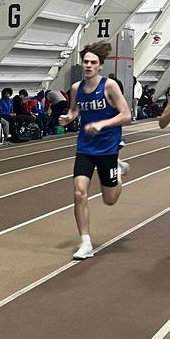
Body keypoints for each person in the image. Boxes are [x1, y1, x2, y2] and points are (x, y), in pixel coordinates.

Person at [59, 41, 131, 260]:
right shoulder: (76, 88)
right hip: (85, 147)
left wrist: (102, 124)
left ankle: (117, 172)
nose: (88, 65)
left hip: (108, 148)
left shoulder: (109, 86)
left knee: (110, 199)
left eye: (93, 62)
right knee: (79, 192)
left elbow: (126, 115)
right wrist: (68, 117)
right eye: (86, 62)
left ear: (100, 65)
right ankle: (85, 242)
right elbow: (75, 110)